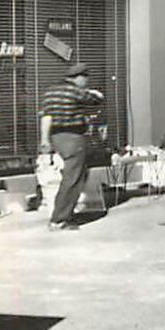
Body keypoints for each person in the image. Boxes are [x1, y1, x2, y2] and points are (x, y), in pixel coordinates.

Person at [39, 64, 104, 231]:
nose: (86, 83)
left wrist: (45, 139)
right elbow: (95, 100)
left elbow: (47, 117)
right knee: (73, 178)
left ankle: (64, 213)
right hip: (73, 137)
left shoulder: (50, 92)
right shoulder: (75, 92)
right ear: (80, 77)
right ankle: (60, 219)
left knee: (76, 174)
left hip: (56, 137)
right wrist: (96, 94)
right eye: (86, 79)